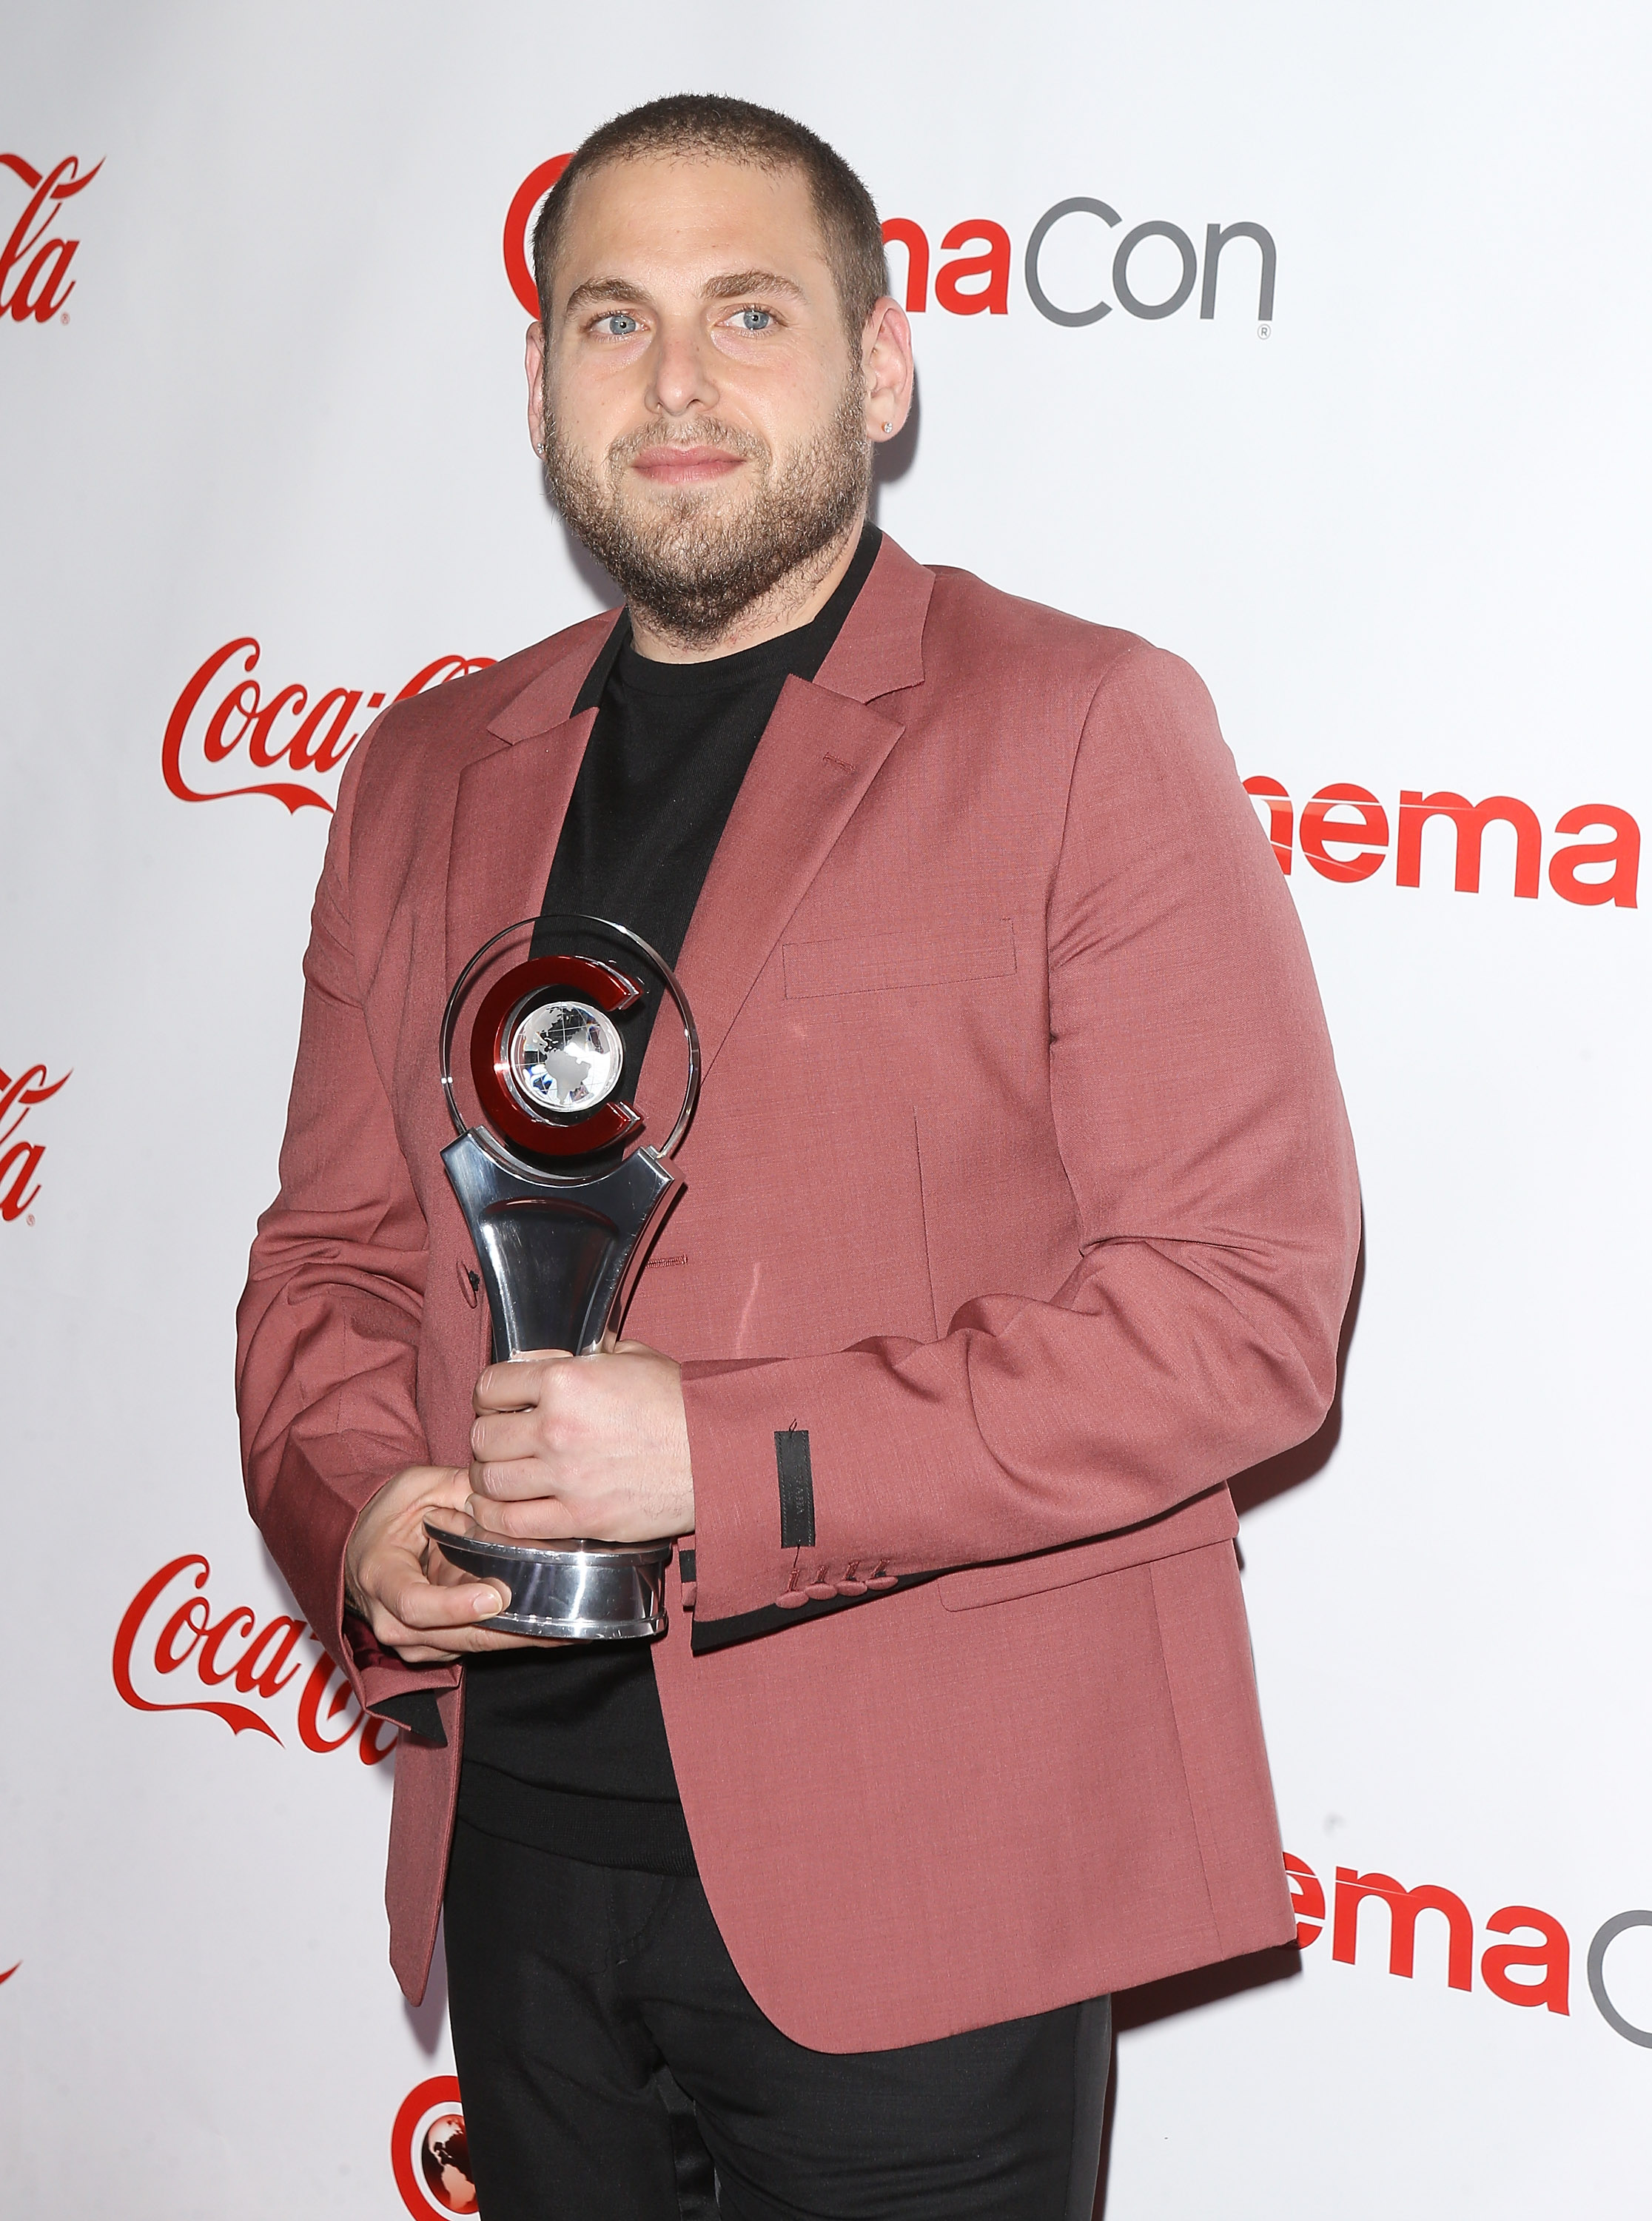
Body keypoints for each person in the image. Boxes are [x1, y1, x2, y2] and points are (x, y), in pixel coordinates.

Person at [237, 93, 1359, 2221]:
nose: (673, 384)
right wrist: (356, 1510)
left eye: (748, 315)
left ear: (881, 360)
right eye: (609, 321)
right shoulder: (414, 772)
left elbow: (1246, 1315)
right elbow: (324, 1256)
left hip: (926, 1890)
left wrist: (727, 1465)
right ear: (544, 380)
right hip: (521, 1874)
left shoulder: (1079, 724)